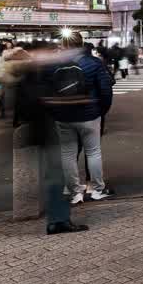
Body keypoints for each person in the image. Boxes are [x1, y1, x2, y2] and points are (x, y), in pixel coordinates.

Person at [16, 47, 88, 235]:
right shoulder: (33, 77)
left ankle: (58, 219)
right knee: (56, 178)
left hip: (40, 130)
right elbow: (36, 102)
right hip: (45, 130)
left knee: (54, 177)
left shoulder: (29, 75)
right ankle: (58, 221)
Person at [50, 34, 114, 204]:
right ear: (81, 44)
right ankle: (97, 190)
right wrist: (101, 110)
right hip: (89, 114)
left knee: (68, 153)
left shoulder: (55, 64)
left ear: (63, 45)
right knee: (93, 152)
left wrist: (55, 111)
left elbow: (49, 90)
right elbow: (106, 90)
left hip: (63, 116)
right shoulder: (93, 63)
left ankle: (75, 193)